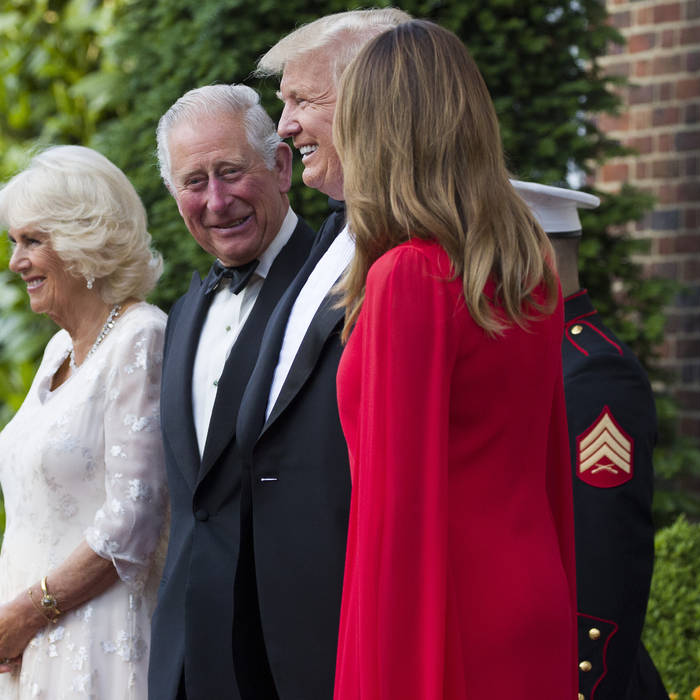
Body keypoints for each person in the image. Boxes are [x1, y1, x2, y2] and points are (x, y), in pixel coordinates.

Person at [330, 20, 577, 699]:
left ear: (375, 135)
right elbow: (550, 473)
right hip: (532, 593)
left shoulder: (408, 278)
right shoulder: (530, 276)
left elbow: (396, 512)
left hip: (448, 613)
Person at [230, 9, 411, 700]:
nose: (283, 127)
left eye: (302, 101)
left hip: (361, 628)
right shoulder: (328, 231)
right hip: (280, 633)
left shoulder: (416, 257)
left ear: (373, 100)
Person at [0, 145, 168, 700]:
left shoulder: (140, 336)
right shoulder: (58, 351)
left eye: (33, 241)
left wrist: (25, 612)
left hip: (94, 643)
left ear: (86, 240)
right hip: (33, 643)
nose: (15, 262)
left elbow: (134, 518)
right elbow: (43, 514)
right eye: (13, 242)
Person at [147, 85, 315, 700]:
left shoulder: (337, 287)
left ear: (279, 166)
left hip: (293, 657)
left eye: (231, 172)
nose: (216, 201)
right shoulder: (184, 312)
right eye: (194, 182)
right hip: (190, 660)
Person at [513, 180, 669, 700]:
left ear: (527, 252)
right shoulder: (532, 356)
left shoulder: (592, 372)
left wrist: (584, 683)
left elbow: (604, 558)